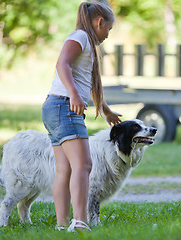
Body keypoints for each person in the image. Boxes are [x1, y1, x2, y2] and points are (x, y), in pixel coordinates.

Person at [41, 1, 121, 232]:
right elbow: (62, 64)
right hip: (65, 106)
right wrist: (75, 96)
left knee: (65, 169)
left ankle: (62, 224)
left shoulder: (84, 40)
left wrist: (105, 110)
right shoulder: (80, 37)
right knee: (84, 165)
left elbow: (89, 83)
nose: (108, 34)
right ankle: (79, 223)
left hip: (54, 107)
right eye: (109, 28)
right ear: (99, 22)